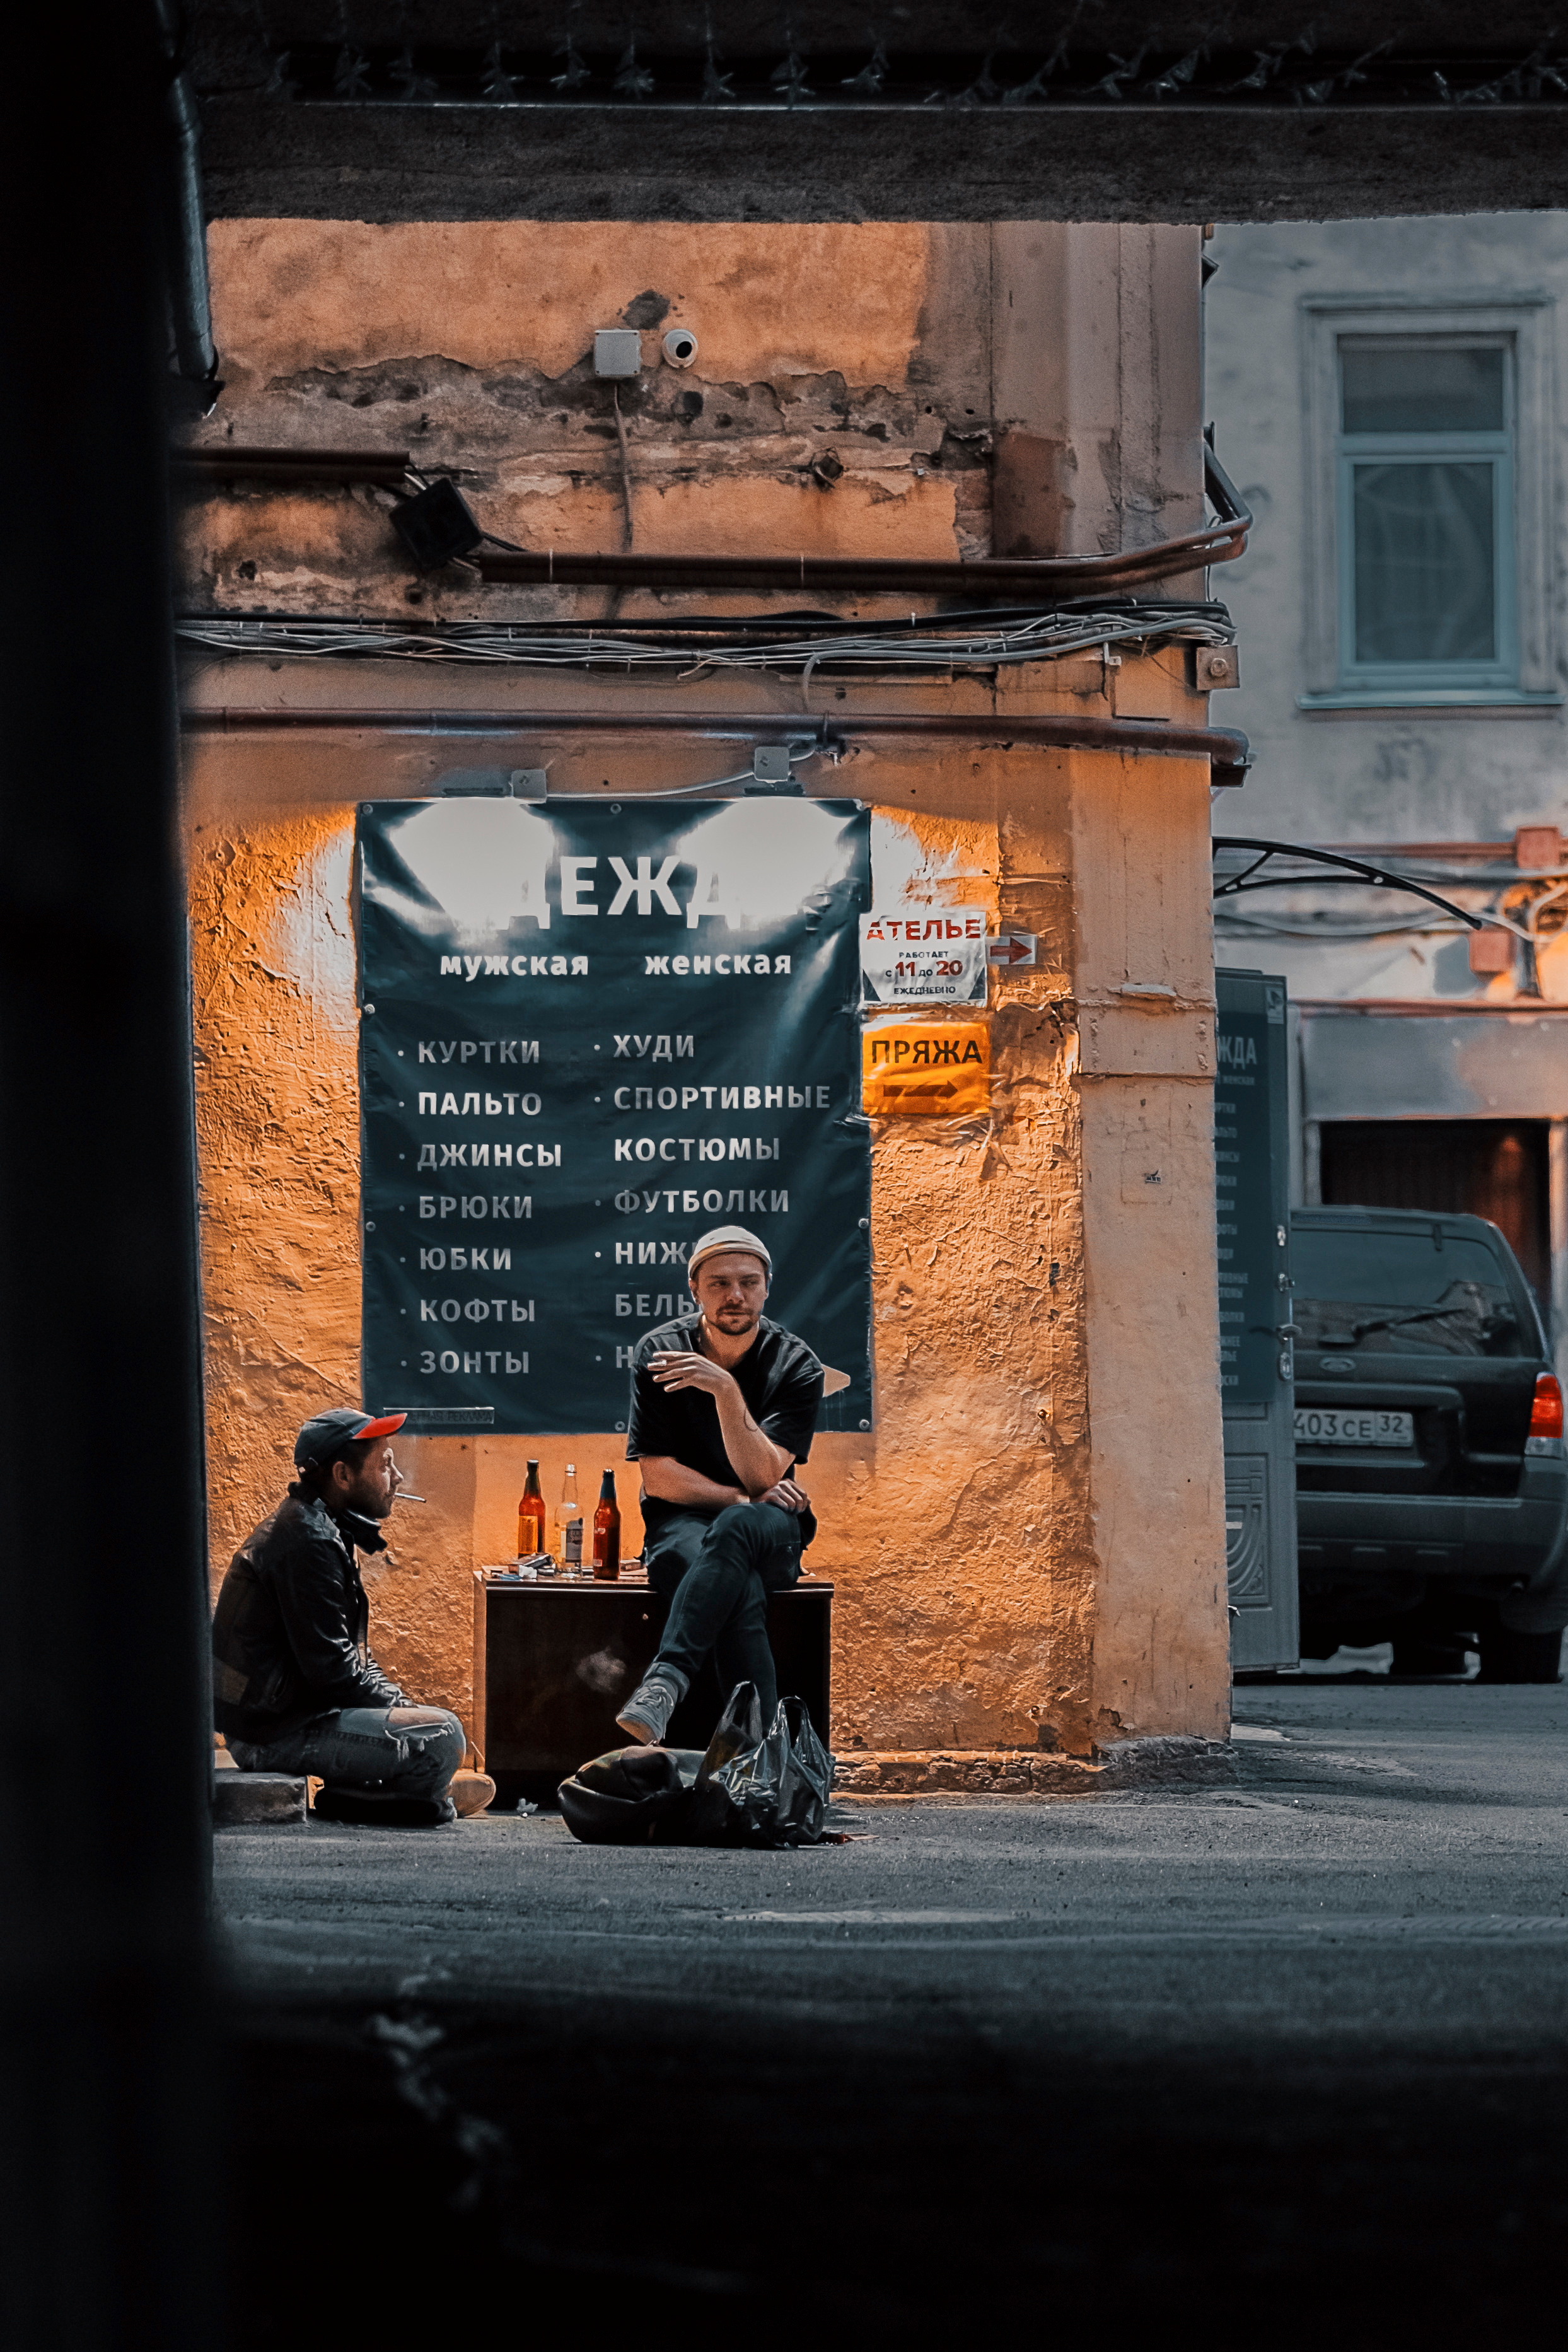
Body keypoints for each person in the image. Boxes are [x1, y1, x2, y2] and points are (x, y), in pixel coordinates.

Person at [212, 1407, 492, 1825]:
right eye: (385, 1465)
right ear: (343, 1476)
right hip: (270, 1734)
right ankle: (427, 1798)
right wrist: (405, 1717)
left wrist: (400, 1709)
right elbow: (336, 1675)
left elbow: (350, 1658)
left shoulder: (322, 1528)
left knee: (426, 1725)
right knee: (442, 1735)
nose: (396, 1478)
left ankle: (397, 1793)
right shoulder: (307, 1541)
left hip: (290, 1716)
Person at [615, 1225, 824, 1745]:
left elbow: (762, 1475)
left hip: (769, 1526)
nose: (735, 1296)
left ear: (767, 1286)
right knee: (741, 1589)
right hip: (682, 1526)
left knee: (741, 1526)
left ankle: (666, 1680)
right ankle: (763, 1760)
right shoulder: (660, 1352)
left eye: (749, 1283)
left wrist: (726, 1392)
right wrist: (738, 1498)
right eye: (719, 1284)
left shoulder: (796, 1363)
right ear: (694, 1289)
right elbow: (659, 1477)